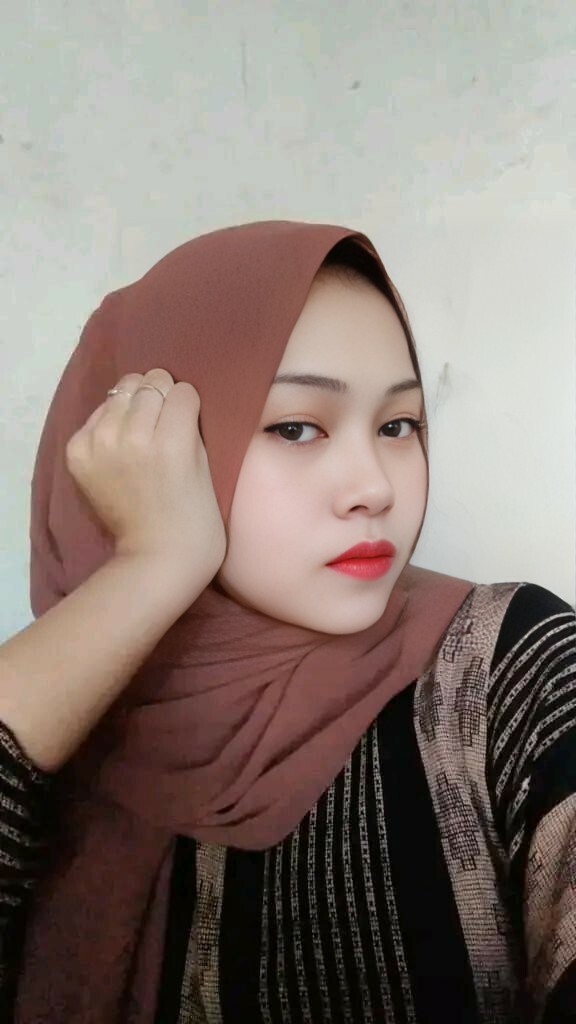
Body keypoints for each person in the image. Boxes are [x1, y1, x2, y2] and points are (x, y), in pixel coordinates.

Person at [0, 220, 574, 1024]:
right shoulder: (69, 726)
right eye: (295, 427)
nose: (374, 487)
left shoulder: (507, 666)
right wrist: (150, 566)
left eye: (398, 425)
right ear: (150, 454)